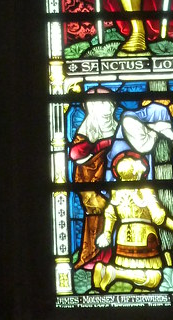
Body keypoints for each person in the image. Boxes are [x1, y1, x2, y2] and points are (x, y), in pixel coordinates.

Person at [93, 154, 173, 292]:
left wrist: (107, 234)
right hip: (144, 236)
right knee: (155, 278)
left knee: (129, 267)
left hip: (123, 236)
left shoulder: (117, 192)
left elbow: (110, 214)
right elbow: (158, 218)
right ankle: (115, 273)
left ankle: (110, 272)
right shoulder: (144, 190)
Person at [68, 95, 117, 269]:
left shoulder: (117, 128)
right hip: (88, 179)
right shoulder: (87, 129)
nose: (108, 109)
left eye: (110, 105)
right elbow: (75, 154)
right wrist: (100, 145)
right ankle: (91, 257)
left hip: (112, 177)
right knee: (97, 210)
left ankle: (112, 255)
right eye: (103, 104)